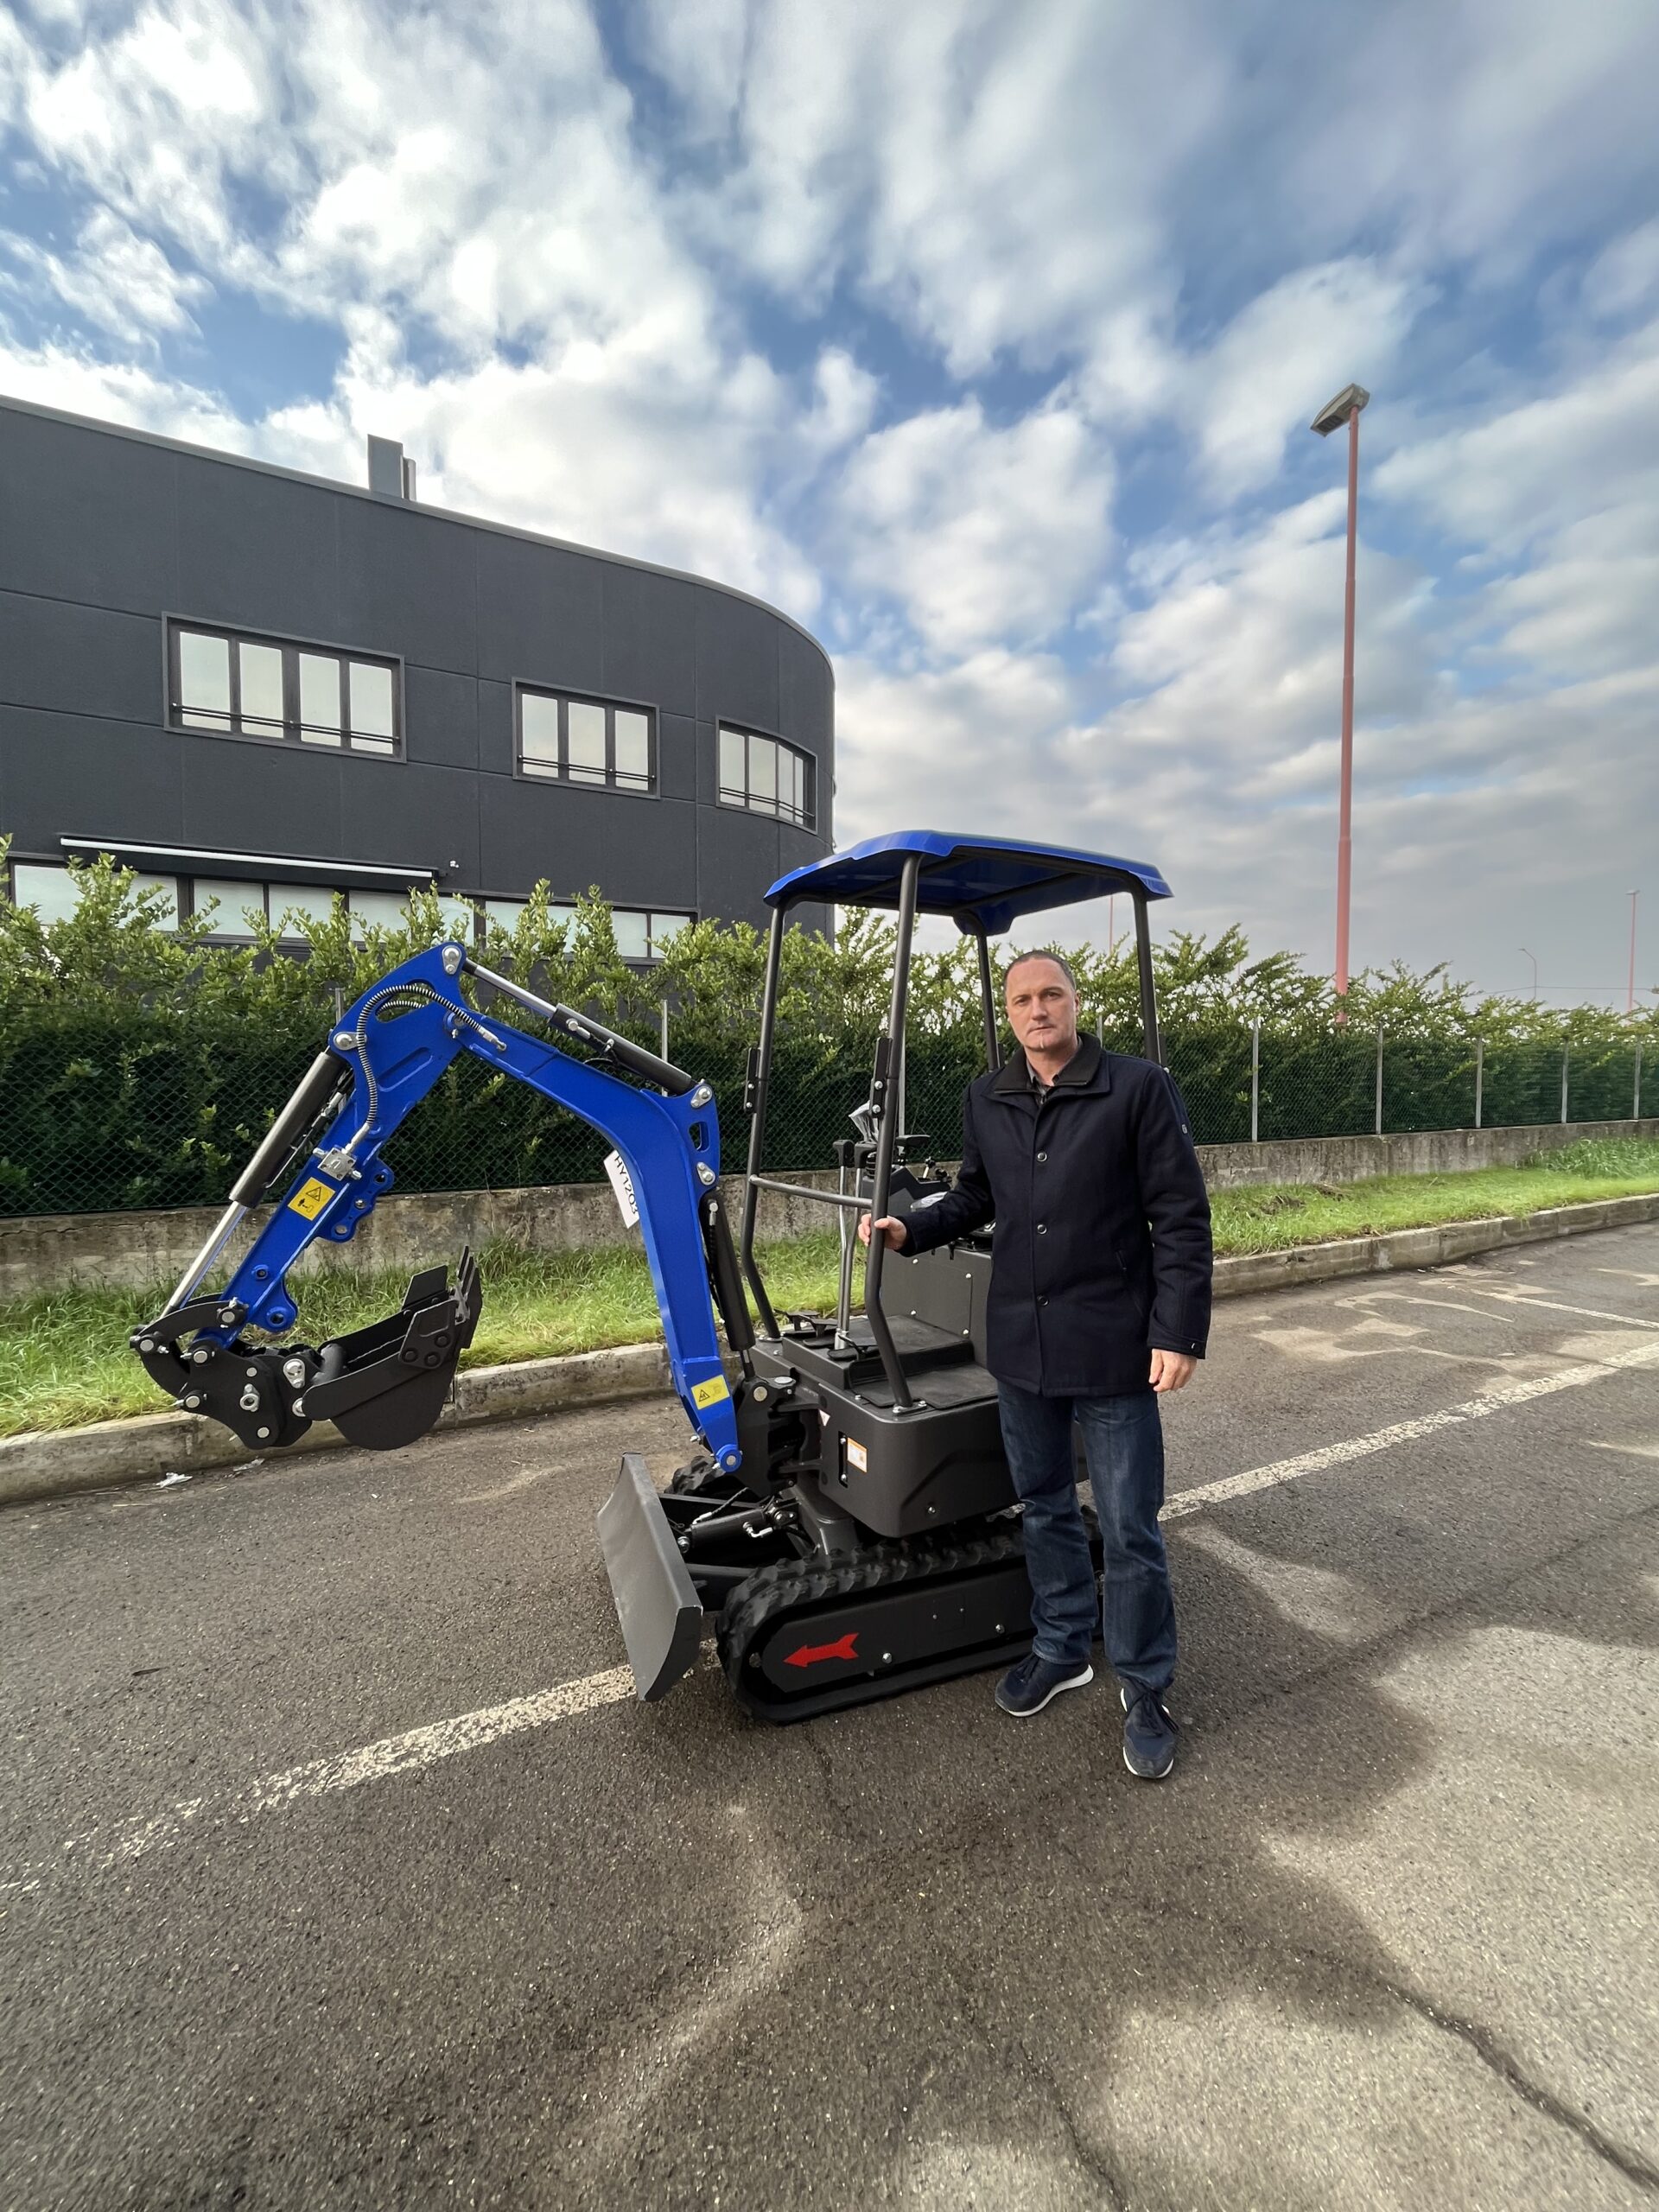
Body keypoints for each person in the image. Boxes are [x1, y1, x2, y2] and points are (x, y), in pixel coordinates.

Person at [859, 950, 1212, 1779]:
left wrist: (1179, 1332)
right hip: (1019, 1345)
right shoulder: (989, 1097)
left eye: (1050, 993)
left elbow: (1181, 1217)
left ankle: (1145, 1684)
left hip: (1115, 1347)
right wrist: (916, 1227)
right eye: (1022, 999)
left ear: (1074, 1003)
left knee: (1129, 1527)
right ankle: (1061, 1647)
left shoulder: (1135, 1089)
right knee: (1045, 1506)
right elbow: (978, 1197)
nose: (1037, 1009)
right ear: (1011, 1014)